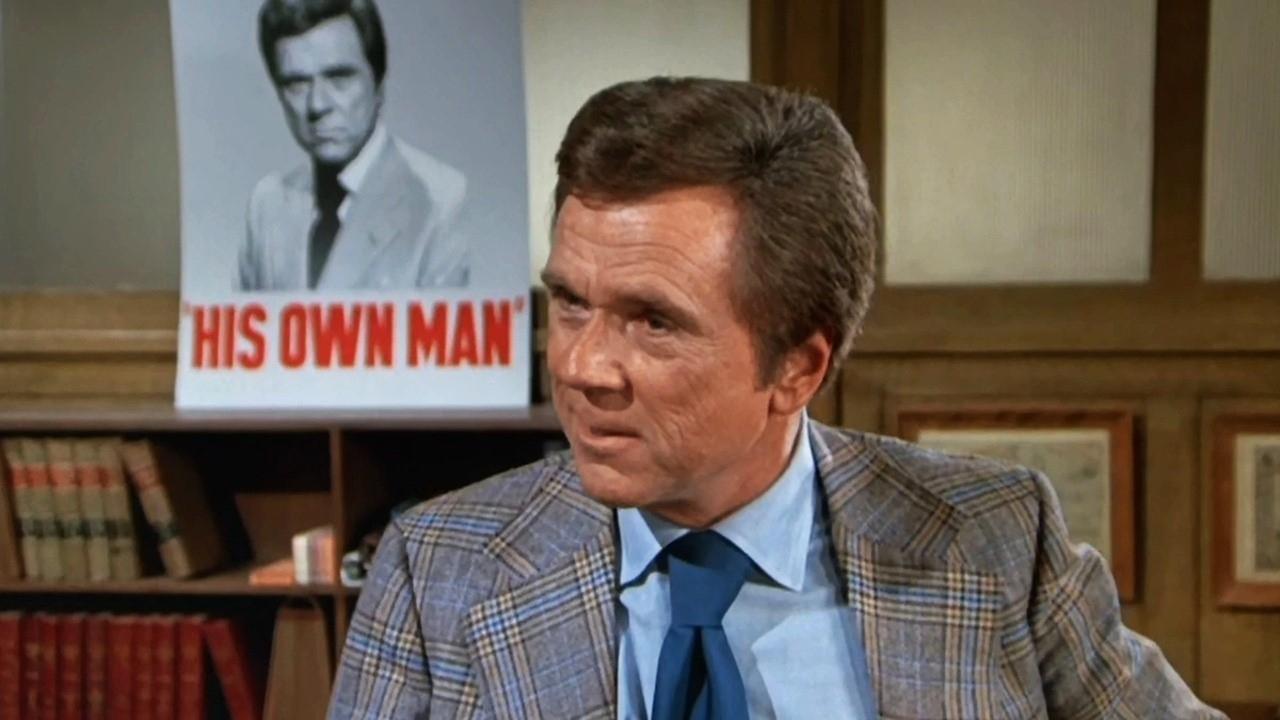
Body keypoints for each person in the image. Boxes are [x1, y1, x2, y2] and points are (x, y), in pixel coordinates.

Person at [328, 77, 1223, 719]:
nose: (584, 366)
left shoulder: (995, 543)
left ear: (798, 366)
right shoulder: (436, 572)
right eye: (569, 303)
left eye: (653, 322)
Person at [239, 0, 469, 292]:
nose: (317, 105)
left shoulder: (440, 202)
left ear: (378, 83)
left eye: (339, 78)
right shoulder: (267, 204)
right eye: (296, 83)